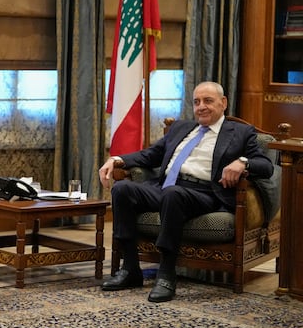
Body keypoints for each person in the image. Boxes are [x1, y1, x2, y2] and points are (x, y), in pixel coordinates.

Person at [97, 81, 273, 303]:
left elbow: (266, 166)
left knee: (174, 194)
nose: (201, 107)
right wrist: (116, 159)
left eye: (208, 101)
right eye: (197, 102)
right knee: (122, 189)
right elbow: (151, 155)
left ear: (223, 103)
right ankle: (130, 269)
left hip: (204, 192)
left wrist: (243, 162)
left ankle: (166, 274)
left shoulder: (240, 132)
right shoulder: (181, 128)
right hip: (166, 186)